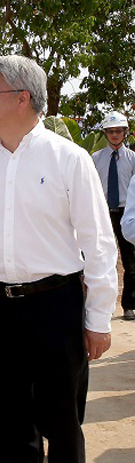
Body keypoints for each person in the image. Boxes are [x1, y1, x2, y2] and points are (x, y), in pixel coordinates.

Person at [0, 55, 117, 463]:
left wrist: (98, 318)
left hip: (56, 306)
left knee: (62, 423)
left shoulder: (68, 159)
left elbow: (98, 243)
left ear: (22, 98)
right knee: (9, 426)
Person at [92, 111, 135, 321]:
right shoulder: (95, 159)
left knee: (131, 263)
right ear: (105, 133)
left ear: (125, 132)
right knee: (102, 261)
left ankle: (129, 305)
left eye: (118, 131)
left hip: (126, 215)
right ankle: (104, 307)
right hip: (102, 214)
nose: (115, 135)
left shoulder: (133, 159)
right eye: (110, 131)